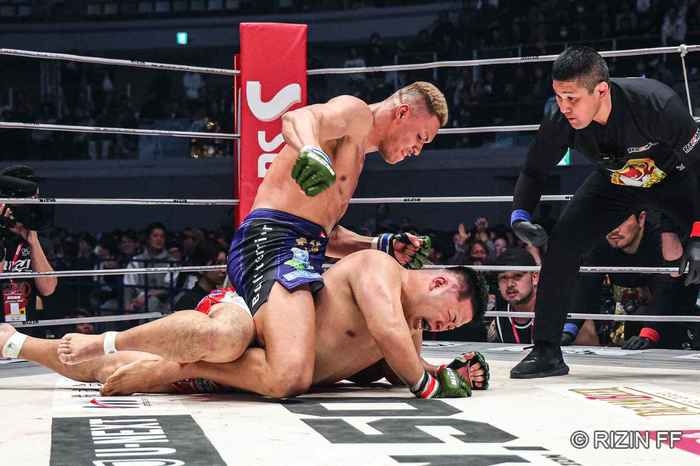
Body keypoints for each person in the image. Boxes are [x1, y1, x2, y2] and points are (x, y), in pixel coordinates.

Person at [59, 81, 448, 397]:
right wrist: (310, 150)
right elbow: (297, 117)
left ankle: (112, 355)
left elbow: (322, 234)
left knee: (270, 357)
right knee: (290, 374)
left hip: (301, 252)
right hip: (272, 243)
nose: (417, 149)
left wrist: (379, 244)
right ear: (402, 112)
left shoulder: (358, 154)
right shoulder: (356, 113)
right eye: (421, 136)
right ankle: (168, 366)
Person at [2, 250, 489, 399]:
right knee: (218, 338)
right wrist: (430, 383)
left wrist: (451, 370)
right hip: (251, 320)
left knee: (118, 374)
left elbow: (398, 367)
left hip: (251, 372)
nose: (445, 327)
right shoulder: (379, 270)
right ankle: (107, 339)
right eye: (451, 316)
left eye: (453, 328)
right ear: (440, 282)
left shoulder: (410, 333)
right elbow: (388, 337)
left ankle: (15, 342)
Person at [508, 46, 700, 378]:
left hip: (674, 178)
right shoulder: (560, 120)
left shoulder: (656, 104)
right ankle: (546, 351)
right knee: (563, 244)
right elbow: (534, 170)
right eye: (558, 97)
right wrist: (520, 216)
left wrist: (697, 234)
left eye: (572, 98)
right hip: (615, 180)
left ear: (600, 90)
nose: (564, 107)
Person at [561, 210, 697, 350]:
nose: (614, 229)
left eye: (621, 220)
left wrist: (649, 334)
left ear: (641, 219)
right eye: (607, 221)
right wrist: (569, 330)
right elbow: (585, 286)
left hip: (674, 312)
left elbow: (667, 289)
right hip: (625, 316)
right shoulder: (601, 243)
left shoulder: (662, 240)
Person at [0, 165, 57, 333]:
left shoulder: (38, 241)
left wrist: (33, 241)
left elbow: (48, 288)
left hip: (25, 331)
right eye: (29, 198)